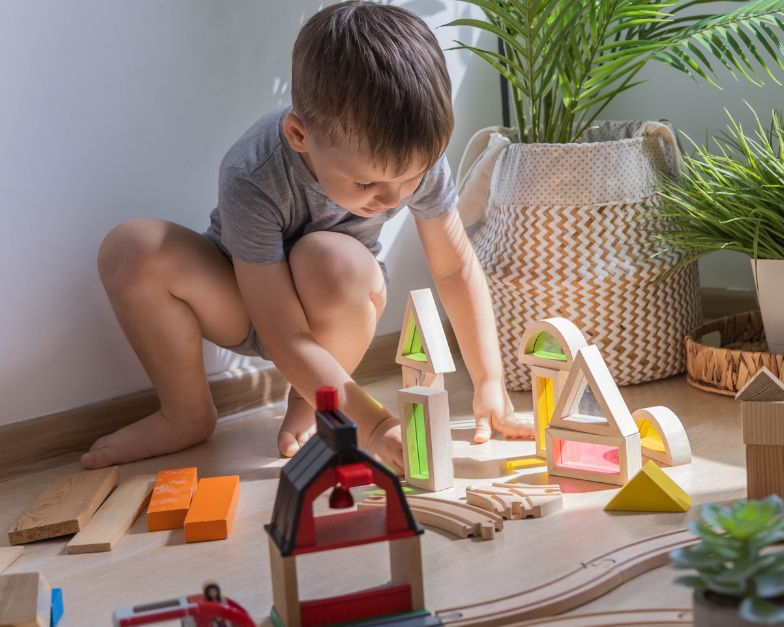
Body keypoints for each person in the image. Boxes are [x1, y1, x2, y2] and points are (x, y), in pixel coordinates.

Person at [85, 1, 531, 471]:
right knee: (131, 248)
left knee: (331, 259)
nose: (392, 198)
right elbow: (282, 332)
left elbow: (455, 266)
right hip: (244, 301)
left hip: (333, 302)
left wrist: (489, 381)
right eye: (365, 184)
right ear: (299, 134)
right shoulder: (252, 172)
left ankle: (310, 399)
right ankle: (186, 413)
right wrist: (374, 426)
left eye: (410, 179)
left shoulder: (412, 156)